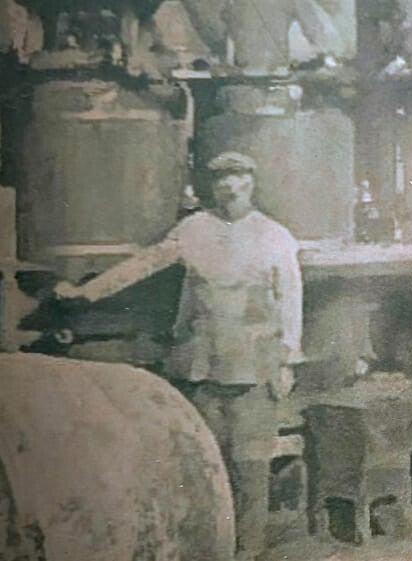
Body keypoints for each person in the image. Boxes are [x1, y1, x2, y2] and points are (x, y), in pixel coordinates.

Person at [55, 152, 305, 559]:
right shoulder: (194, 230)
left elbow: (291, 301)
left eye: (237, 177)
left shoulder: (274, 236)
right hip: (202, 366)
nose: (229, 186)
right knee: (206, 463)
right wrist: (87, 293)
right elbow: (145, 264)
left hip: (254, 368)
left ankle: (248, 552)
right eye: (221, 179)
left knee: (251, 466)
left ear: (251, 183)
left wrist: (288, 361)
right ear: (212, 187)